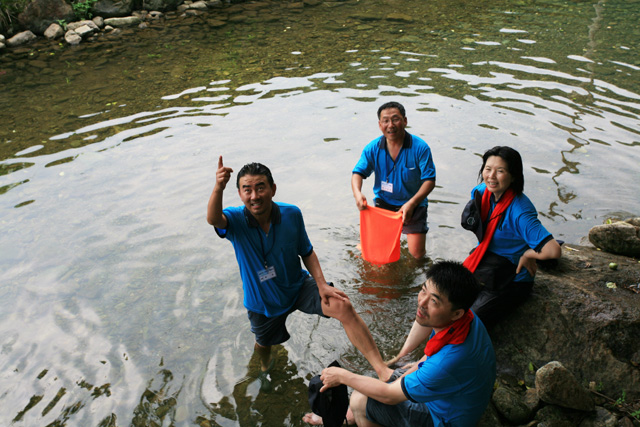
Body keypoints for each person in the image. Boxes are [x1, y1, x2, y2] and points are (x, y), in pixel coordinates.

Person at [207, 157, 393, 390]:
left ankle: (381, 369)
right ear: (240, 193)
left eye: (260, 187)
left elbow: (307, 252)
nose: (254, 195)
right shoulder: (235, 220)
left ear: (273, 189)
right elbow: (213, 219)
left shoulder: (291, 214)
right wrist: (218, 187)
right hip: (263, 301)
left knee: (342, 305)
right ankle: (264, 368)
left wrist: (322, 284)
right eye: (247, 190)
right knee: (264, 345)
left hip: (297, 287)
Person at [386, 146, 562, 366]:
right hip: (483, 261)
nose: (491, 176)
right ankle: (402, 355)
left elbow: (554, 249)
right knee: (435, 296)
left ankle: (423, 362)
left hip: (510, 277)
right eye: (488, 169)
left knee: (464, 317)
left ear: (514, 175)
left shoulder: (520, 211)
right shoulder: (482, 192)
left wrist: (528, 254)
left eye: (500, 171)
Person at [304, 261, 496, 427]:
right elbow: (433, 343)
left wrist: (343, 376)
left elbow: (389, 395)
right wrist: (413, 363)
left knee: (359, 399)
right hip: (457, 400)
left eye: (434, 301)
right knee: (386, 377)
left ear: (456, 313)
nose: (422, 303)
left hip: (443, 419)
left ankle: (356, 414)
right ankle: (348, 416)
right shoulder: (467, 320)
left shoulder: (447, 362)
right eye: (423, 291)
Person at [352, 101, 436, 259]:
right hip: (384, 203)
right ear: (379, 124)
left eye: (395, 119)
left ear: (405, 121)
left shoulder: (420, 148)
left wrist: (412, 203)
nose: (390, 125)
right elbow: (357, 174)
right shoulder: (373, 148)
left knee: (417, 256)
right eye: (385, 120)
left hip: (414, 205)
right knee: (375, 254)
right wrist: (358, 193)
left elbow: (430, 180)